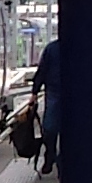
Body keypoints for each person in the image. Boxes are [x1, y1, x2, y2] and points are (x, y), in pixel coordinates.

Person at [32, 34, 61, 173]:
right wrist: (34, 92)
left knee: (51, 127)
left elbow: (42, 71)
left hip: (59, 93)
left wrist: (35, 91)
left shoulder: (51, 49)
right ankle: (51, 155)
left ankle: (56, 158)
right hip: (55, 92)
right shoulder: (52, 49)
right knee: (49, 128)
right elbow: (42, 71)